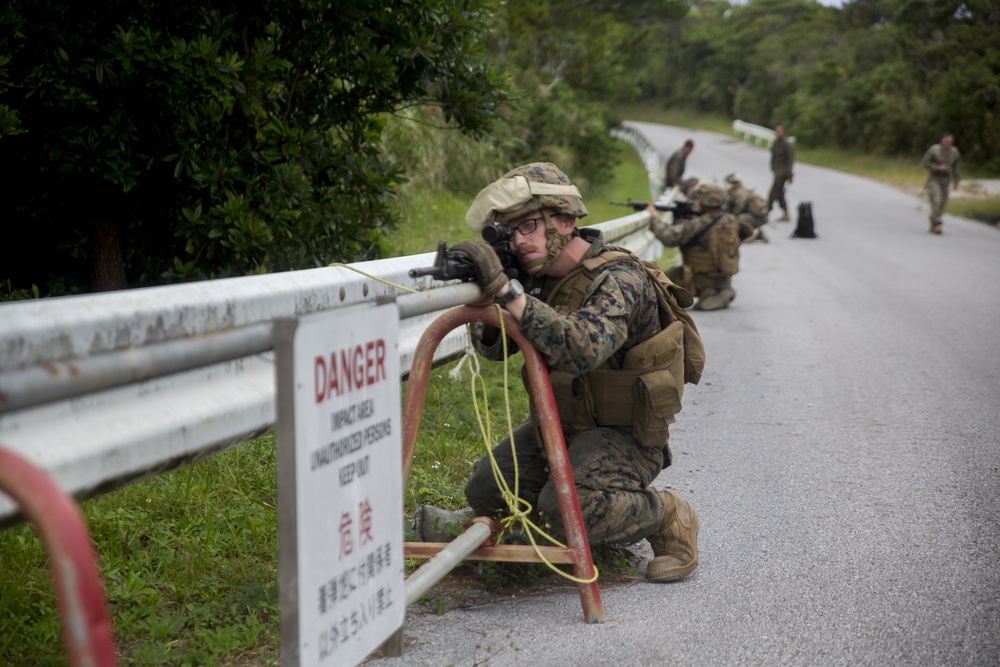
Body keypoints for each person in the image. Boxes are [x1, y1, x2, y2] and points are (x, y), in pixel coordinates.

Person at [419, 162, 704, 584]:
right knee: (485, 487)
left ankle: (665, 515)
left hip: (625, 436)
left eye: (529, 226)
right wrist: (489, 301)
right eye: (510, 231)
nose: (519, 240)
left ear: (566, 222)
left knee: (569, 506)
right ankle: (512, 527)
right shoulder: (539, 280)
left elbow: (584, 347)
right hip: (563, 426)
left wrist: (508, 293)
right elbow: (498, 349)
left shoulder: (618, 278)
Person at [648, 182, 745, 311]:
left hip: (698, 278)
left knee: (656, 282)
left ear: (703, 201)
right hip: (722, 278)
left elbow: (669, 237)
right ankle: (718, 291)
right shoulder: (731, 220)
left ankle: (719, 293)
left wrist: (654, 218)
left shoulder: (697, 224)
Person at [921, 132, 961, 235]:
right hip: (934, 179)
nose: (949, 143)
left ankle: (933, 222)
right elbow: (925, 163)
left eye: (950, 141)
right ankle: (938, 224)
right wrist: (938, 167)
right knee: (936, 200)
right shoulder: (934, 150)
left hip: (945, 180)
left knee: (942, 204)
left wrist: (956, 181)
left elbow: (956, 168)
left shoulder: (954, 152)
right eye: (947, 141)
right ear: (942, 141)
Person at [723, 172, 769, 243]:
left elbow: (739, 208)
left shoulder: (741, 192)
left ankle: (754, 236)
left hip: (756, 217)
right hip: (757, 217)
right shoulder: (740, 190)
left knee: (737, 221)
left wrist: (731, 217)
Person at [766, 124, 794, 221]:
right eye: (776, 132)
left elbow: (790, 160)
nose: (777, 133)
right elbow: (773, 157)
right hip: (776, 171)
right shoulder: (775, 143)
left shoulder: (787, 144)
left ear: (783, 132)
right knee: (779, 194)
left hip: (783, 173)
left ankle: (767, 211)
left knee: (773, 192)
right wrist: (773, 168)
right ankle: (786, 213)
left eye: (779, 131)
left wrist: (789, 174)